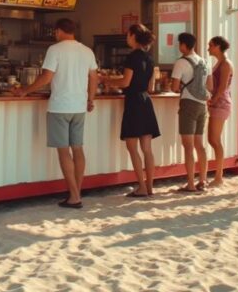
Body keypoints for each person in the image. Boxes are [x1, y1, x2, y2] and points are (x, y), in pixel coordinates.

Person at [15, 18, 98, 209]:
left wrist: (25, 90)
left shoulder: (55, 49)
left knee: (63, 151)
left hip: (60, 106)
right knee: (77, 149)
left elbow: (46, 77)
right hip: (79, 107)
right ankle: (76, 192)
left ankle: (75, 197)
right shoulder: (87, 51)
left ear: (59, 31)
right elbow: (94, 77)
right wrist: (90, 99)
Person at [100, 24, 160, 197]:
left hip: (133, 102)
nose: (126, 37)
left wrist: (106, 80)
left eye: (128, 34)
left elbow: (125, 82)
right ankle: (150, 187)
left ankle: (141, 186)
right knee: (147, 148)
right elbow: (150, 85)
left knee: (132, 147)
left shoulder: (132, 57)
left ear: (133, 36)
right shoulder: (149, 58)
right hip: (145, 101)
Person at [170, 32, 209, 192]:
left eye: (180, 44)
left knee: (188, 146)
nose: (179, 47)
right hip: (202, 104)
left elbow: (174, 87)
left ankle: (191, 184)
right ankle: (203, 181)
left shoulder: (181, 62)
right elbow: (210, 85)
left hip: (188, 103)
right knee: (200, 145)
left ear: (184, 45)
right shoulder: (204, 61)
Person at [206, 36, 233, 188]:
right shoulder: (220, 63)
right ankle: (218, 174)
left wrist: (213, 101)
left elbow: (222, 87)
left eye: (210, 45)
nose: (208, 48)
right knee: (212, 139)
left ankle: (219, 176)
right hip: (218, 103)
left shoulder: (226, 64)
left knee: (215, 140)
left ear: (217, 46)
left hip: (221, 104)